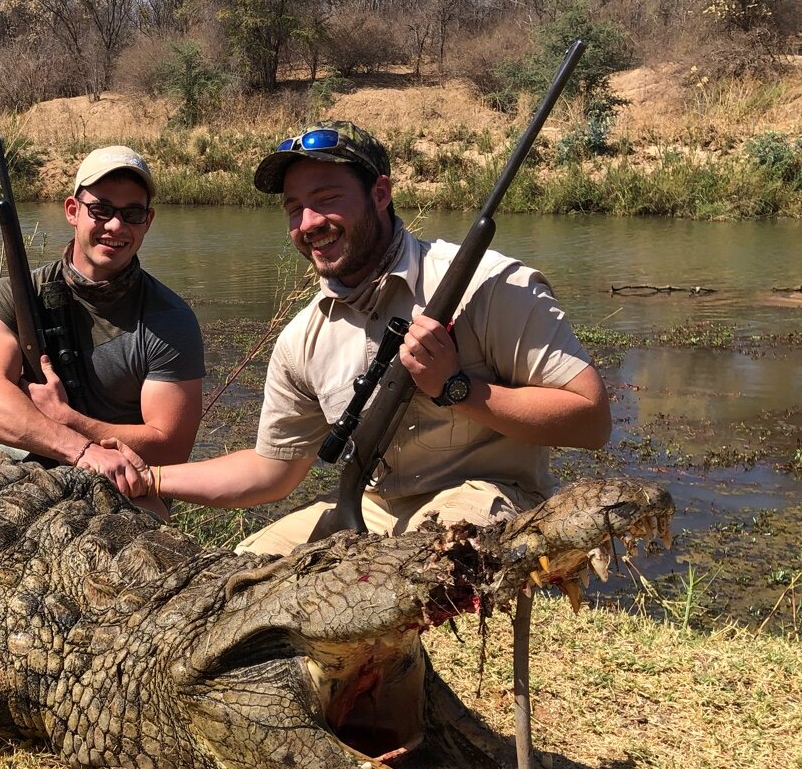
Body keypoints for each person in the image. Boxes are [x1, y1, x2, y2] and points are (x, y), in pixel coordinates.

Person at [106, 120, 610, 552]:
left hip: (490, 498)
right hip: (374, 510)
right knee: (241, 574)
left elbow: (592, 422)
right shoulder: (302, 338)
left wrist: (458, 389)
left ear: (380, 194)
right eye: (293, 208)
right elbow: (271, 471)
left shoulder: (490, 285)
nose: (308, 223)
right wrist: (150, 478)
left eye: (327, 199)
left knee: (425, 561)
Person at [0, 145, 205, 516]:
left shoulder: (170, 319)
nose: (115, 226)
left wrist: (72, 420)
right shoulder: (14, 295)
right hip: (35, 456)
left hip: (126, 483)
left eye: (132, 213)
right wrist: (79, 449)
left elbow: (171, 447)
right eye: (101, 209)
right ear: (73, 211)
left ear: (148, 220)